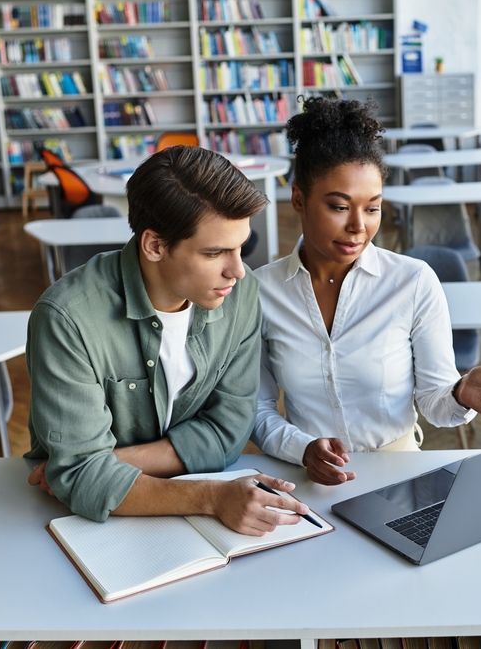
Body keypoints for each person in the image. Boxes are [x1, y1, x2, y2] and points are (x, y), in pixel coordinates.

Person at [26, 146, 309, 536]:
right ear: (155, 246)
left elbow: (229, 432)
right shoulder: (66, 318)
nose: (238, 270)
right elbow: (79, 477)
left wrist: (100, 467)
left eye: (241, 246)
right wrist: (211, 498)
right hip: (78, 525)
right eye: (215, 253)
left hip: (143, 508)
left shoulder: (241, 295)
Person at [251, 97, 481, 486]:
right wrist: (301, 447)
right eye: (339, 207)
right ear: (298, 199)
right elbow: (258, 409)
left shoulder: (413, 282)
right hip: (308, 480)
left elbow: (436, 402)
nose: (358, 227)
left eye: (372, 208)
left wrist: (461, 391)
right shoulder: (260, 292)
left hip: (400, 477)